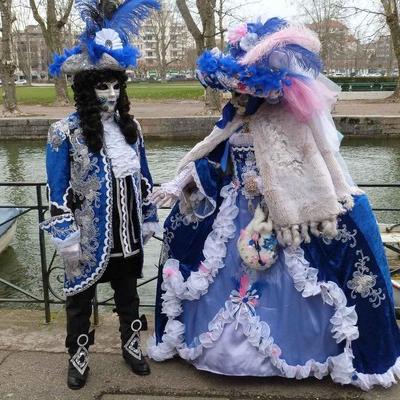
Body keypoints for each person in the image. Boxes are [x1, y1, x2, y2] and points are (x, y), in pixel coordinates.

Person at [148, 18, 400, 390]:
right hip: (235, 213)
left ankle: (294, 351)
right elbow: (211, 157)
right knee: (213, 265)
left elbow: (307, 166)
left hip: (284, 215)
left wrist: (267, 182)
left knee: (306, 274)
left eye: (241, 91)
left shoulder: (291, 121)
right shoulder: (234, 119)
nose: (234, 98)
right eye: (233, 91)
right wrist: (177, 181)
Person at [40, 0, 160, 390]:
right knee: (79, 302)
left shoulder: (132, 129)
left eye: (115, 85)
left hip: (127, 233)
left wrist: (149, 216)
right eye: (101, 85)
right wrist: (65, 236)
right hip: (88, 237)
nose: (110, 93)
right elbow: (56, 189)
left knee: (127, 295)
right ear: (85, 89)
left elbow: (143, 176)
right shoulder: (65, 132)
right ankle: (77, 358)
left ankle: (131, 346)